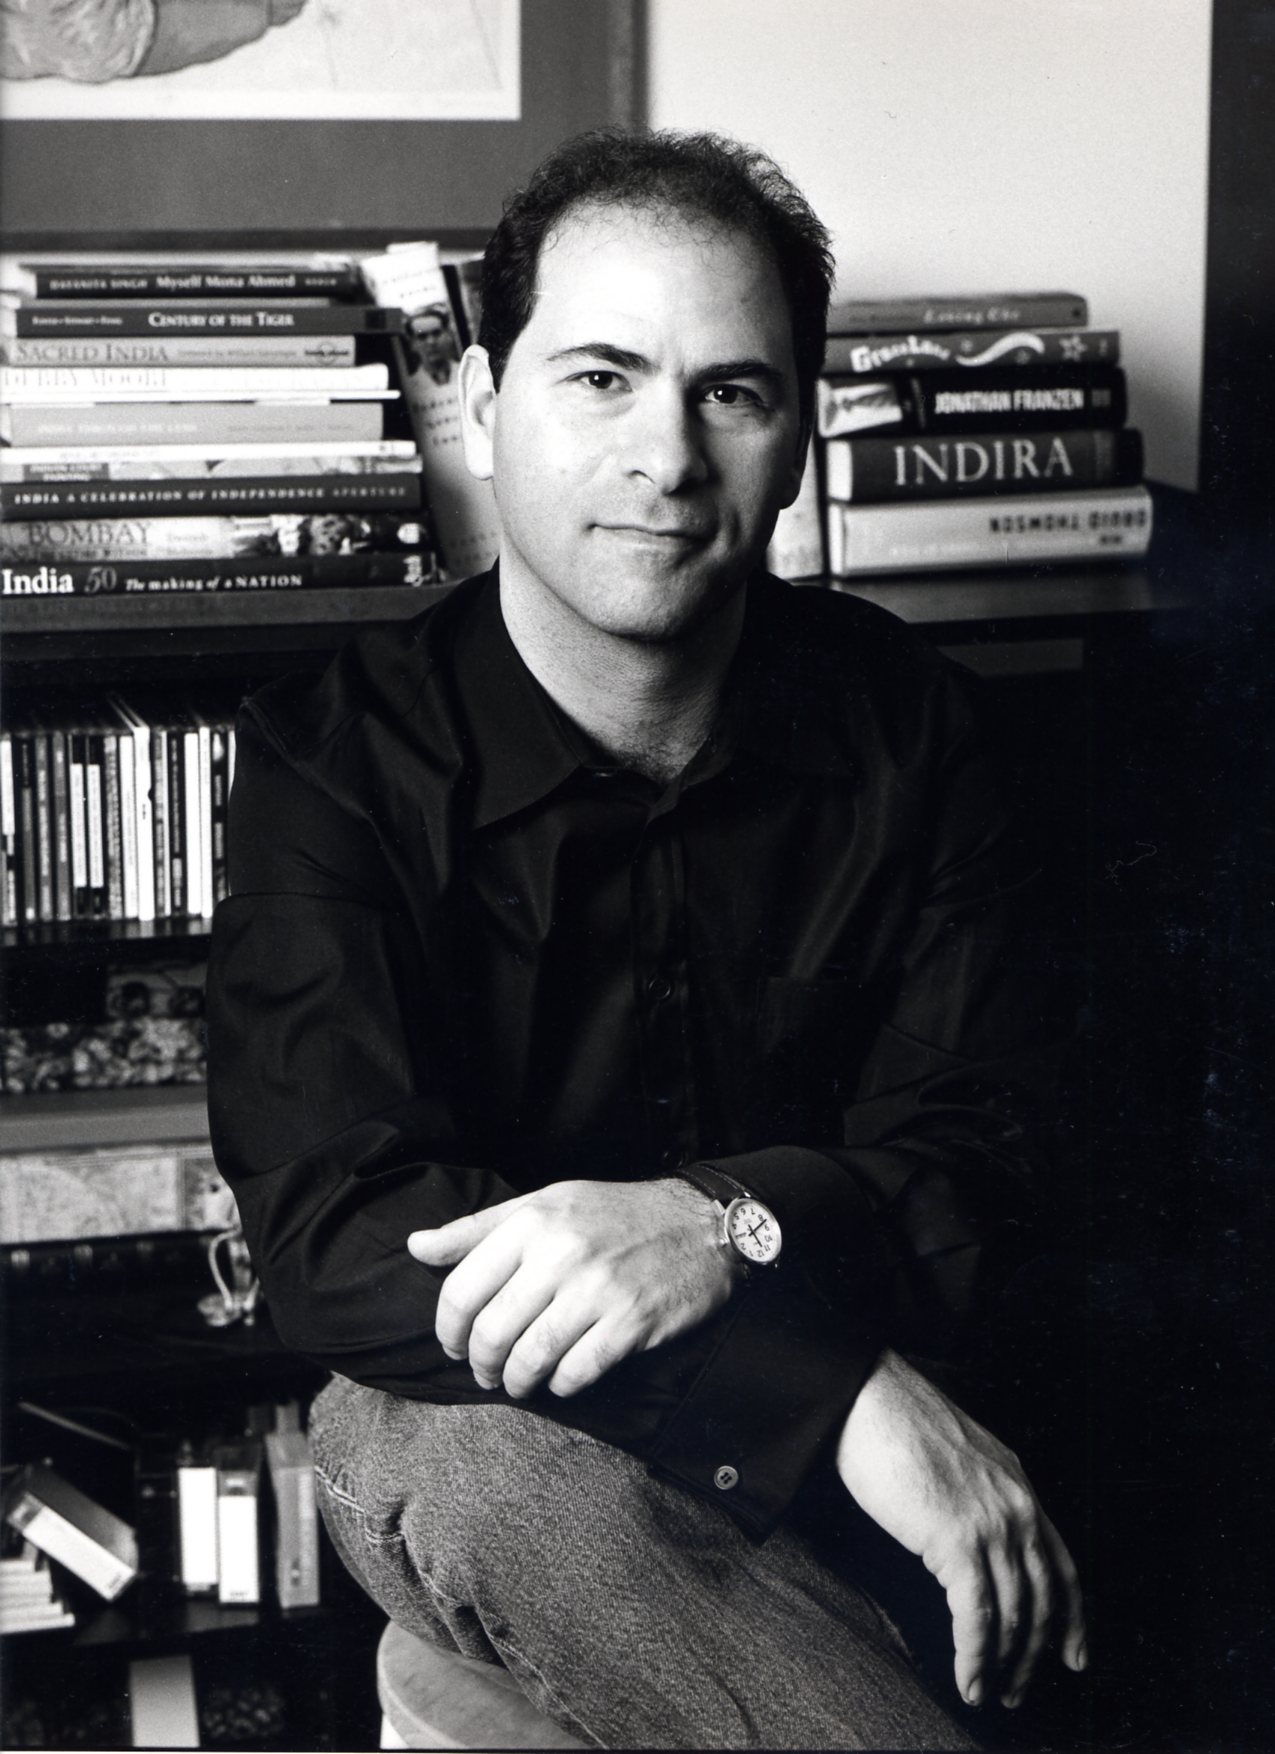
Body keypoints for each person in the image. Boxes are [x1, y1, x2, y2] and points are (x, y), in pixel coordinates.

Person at [206, 127, 1087, 1751]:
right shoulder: (329, 761)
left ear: (800, 431)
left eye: (731, 392)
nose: (668, 457)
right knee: (473, 1448)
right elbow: (343, 1237)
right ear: (485, 403)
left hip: (898, 1428)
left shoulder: (928, 734)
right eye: (600, 378)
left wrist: (715, 1228)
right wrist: (821, 1382)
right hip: (498, 1437)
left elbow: (986, 1164)